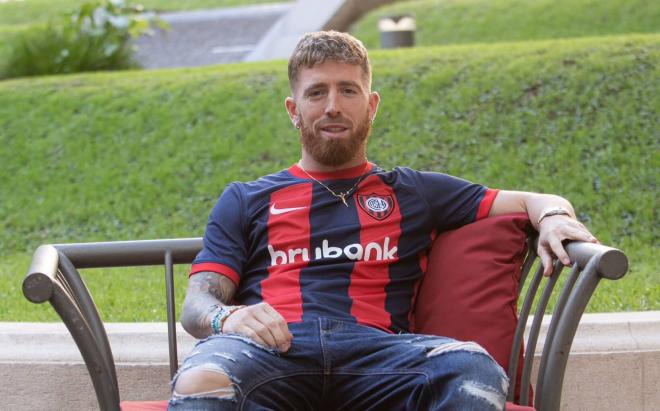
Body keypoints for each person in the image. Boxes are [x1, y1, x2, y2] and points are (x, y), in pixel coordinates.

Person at [168, 31, 598, 410]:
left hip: (379, 356)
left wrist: (556, 216)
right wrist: (230, 319)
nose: (333, 106)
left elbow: (534, 200)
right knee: (201, 381)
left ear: (371, 105)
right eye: (316, 93)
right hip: (269, 352)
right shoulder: (246, 198)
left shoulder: (414, 191)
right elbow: (197, 305)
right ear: (293, 109)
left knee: (473, 368)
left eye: (348, 91)